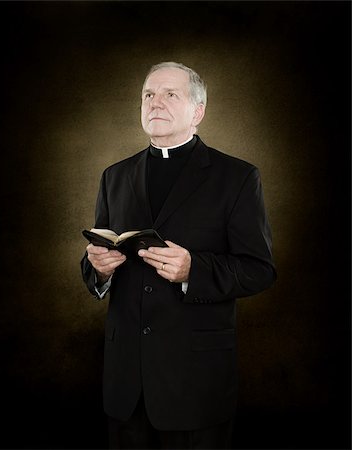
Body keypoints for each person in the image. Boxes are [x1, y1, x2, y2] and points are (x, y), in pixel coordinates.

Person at [81, 61, 276, 449]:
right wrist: (98, 270)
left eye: (171, 94)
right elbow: (95, 261)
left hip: (196, 381)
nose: (156, 102)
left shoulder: (237, 177)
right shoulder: (114, 176)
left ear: (198, 111)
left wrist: (193, 270)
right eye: (148, 94)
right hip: (125, 384)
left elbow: (259, 269)